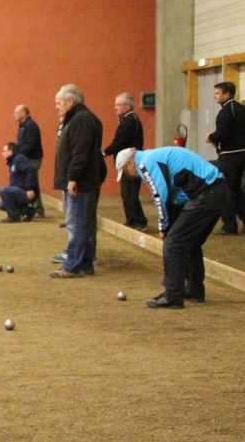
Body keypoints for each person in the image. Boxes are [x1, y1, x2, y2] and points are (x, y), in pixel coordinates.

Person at [116, 146, 225, 308]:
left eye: (125, 171)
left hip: (206, 193)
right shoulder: (155, 157)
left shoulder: (145, 163)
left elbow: (160, 195)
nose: (128, 177)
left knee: (173, 243)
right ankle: (194, 290)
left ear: (131, 162)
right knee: (190, 242)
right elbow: (177, 196)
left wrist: (164, 227)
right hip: (217, 190)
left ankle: (173, 296)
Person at [50, 84, 106, 279]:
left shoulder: (81, 121)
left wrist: (73, 177)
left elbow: (80, 152)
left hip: (81, 183)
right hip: (83, 181)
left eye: (59, 103)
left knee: (76, 224)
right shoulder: (78, 119)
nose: (56, 107)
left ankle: (73, 265)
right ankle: (85, 264)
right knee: (83, 223)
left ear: (70, 102)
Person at [102, 93, 147, 231]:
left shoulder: (130, 120)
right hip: (126, 162)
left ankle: (138, 221)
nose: (115, 108)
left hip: (131, 162)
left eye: (118, 105)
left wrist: (104, 153)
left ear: (127, 106)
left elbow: (120, 142)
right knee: (127, 193)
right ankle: (132, 220)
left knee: (130, 193)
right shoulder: (126, 119)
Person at [206, 81, 245, 235]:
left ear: (227, 94)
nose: (215, 97)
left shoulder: (225, 112)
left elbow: (222, 134)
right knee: (240, 190)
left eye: (217, 93)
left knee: (226, 190)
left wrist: (210, 137)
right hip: (243, 154)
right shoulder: (242, 109)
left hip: (230, 157)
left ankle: (229, 225)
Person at [0, 142, 38, 222]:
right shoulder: (12, 163)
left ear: (11, 151)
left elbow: (31, 170)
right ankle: (28, 211)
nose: (2, 153)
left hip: (26, 192)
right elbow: (14, 185)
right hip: (19, 191)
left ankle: (13, 216)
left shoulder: (19, 159)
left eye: (4, 151)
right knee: (0, 204)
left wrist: (30, 188)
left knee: (4, 189)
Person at [13, 104, 44, 217]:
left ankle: (38, 210)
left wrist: (16, 154)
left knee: (31, 183)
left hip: (33, 159)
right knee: (30, 183)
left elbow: (30, 145)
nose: (14, 115)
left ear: (24, 113)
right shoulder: (22, 126)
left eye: (16, 113)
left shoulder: (30, 126)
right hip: (27, 159)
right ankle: (34, 208)